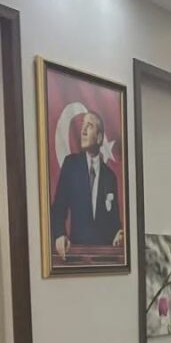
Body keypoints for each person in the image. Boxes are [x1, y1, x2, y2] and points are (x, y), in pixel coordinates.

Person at [49, 109, 123, 257]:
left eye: (89, 126)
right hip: (76, 254)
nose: (83, 131)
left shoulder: (110, 177)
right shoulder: (71, 165)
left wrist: (119, 233)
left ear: (99, 138)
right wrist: (59, 234)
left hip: (104, 257)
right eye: (83, 125)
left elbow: (114, 222)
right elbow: (58, 208)